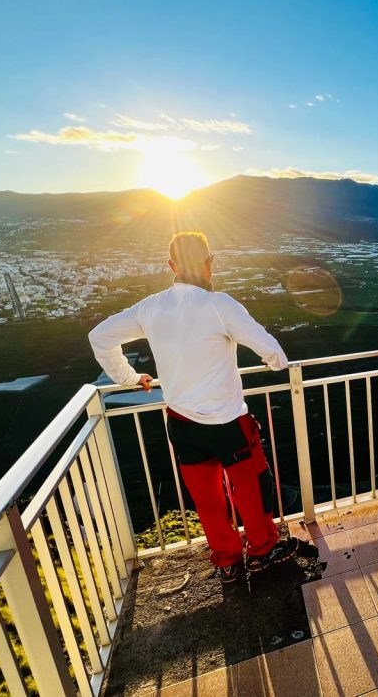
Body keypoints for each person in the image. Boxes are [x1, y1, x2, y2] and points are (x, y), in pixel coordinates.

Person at [88, 231, 298, 583]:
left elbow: (100, 336)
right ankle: (262, 550)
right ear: (209, 263)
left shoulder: (151, 307)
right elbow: (273, 352)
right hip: (229, 422)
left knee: (208, 499)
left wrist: (127, 377)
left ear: (171, 266)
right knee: (249, 488)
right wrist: (275, 363)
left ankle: (228, 560)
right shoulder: (220, 304)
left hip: (182, 422)